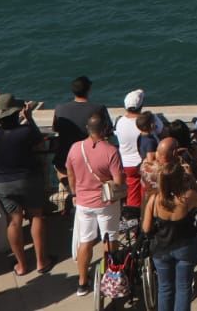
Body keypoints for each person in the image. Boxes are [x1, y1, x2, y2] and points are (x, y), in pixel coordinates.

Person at [0, 92, 49, 275]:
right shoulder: (25, 131)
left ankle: (21, 265)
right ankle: (41, 262)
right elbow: (37, 142)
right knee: (36, 216)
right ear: (16, 114)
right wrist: (29, 119)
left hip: (0, 182)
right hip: (28, 179)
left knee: (14, 222)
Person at [65, 113, 125, 297]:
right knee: (110, 240)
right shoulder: (111, 151)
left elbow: (70, 174)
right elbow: (118, 181)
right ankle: (109, 277)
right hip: (106, 202)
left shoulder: (75, 148)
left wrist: (74, 193)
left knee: (85, 242)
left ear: (87, 129)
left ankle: (82, 282)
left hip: (83, 203)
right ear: (105, 129)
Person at [141, 150, 197, 311]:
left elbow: (146, 228)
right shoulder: (187, 197)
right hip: (184, 246)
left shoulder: (155, 199)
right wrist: (191, 179)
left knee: (165, 288)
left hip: (161, 249)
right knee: (183, 288)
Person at [51, 76, 109, 201]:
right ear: (89, 90)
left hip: (64, 158)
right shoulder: (98, 108)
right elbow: (108, 131)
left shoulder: (60, 108)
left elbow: (55, 128)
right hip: (90, 158)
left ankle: (69, 190)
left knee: (60, 168)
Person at [115, 91, 161, 214]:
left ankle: (133, 220)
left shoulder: (120, 122)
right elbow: (162, 131)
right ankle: (147, 217)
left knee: (133, 195)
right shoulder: (151, 120)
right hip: (144, 164)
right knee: (148, 192)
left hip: (127, 165)